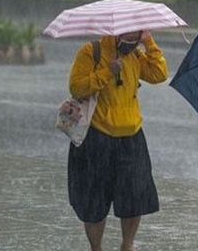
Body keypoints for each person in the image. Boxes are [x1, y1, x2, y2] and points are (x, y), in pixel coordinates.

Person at [67, 30, 167, 251]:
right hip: (97, 136)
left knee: (135, 197)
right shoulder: (90, 52)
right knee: (94, 200)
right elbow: (76, 87)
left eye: (137, 36)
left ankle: (127, 245)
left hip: (131, 136)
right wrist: (106, 72)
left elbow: (159, 74)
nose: (132, 41)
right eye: (128, 36)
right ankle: (96, 247)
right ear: (116, 31)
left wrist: (149, 43)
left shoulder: (136, 56)